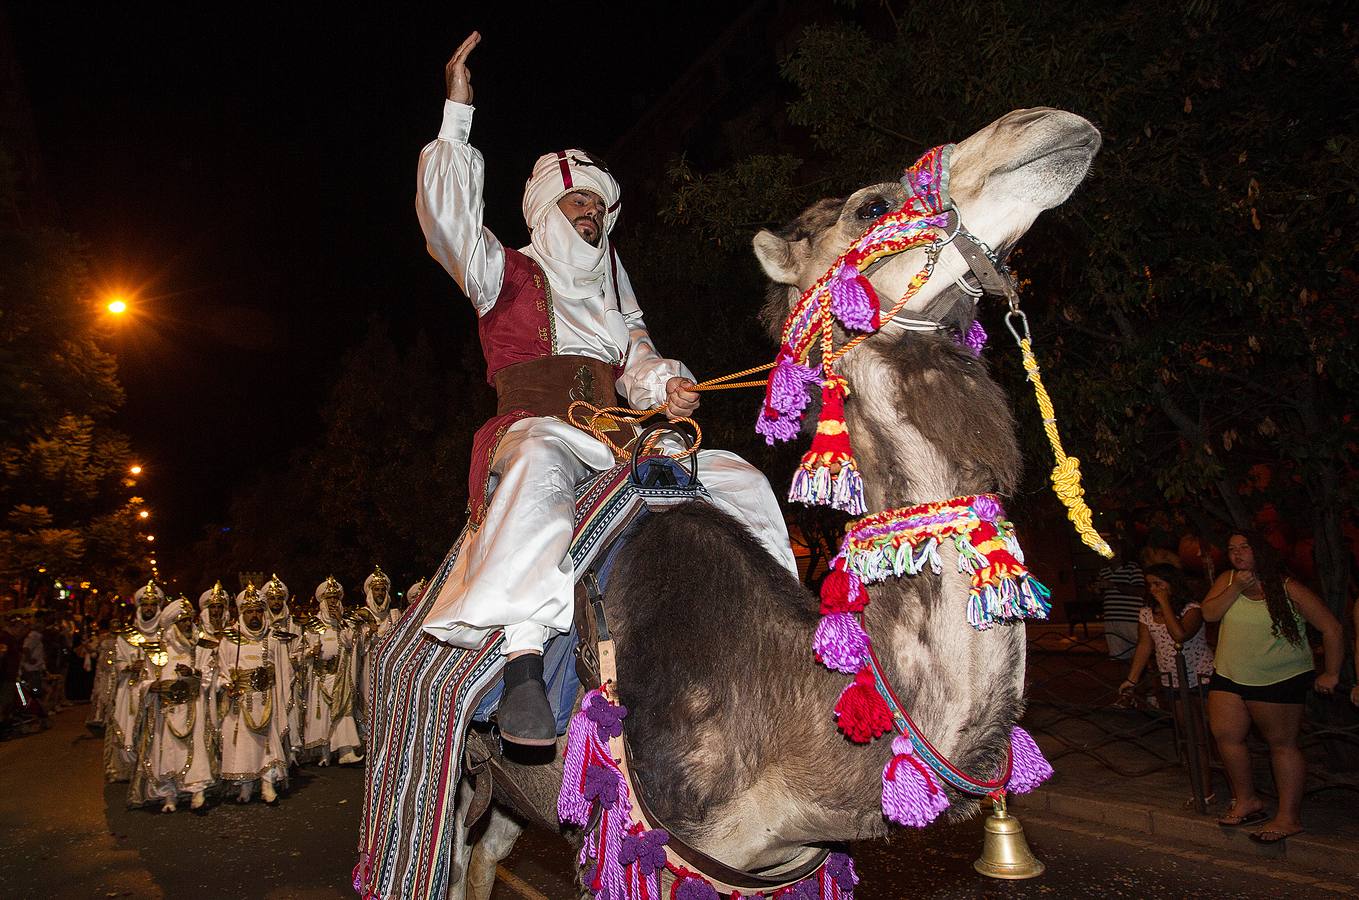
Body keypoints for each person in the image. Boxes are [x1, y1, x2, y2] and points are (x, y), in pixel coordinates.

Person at [415, 32, 797, 747]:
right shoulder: (503, 270)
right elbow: (448, 223)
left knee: (733, 476)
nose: (589, 214)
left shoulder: (613, 297)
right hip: (535, 425)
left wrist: (670, 385)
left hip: (618, 437)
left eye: (595, 206)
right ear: (542, 213)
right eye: (574, 205)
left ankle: (779, 625)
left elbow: (640, 357)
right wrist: (457, 115)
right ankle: (524, 656)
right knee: (536, 460)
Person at [1203, 530, 1343, 843]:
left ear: (1261, 552)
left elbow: (1331, 627)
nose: (1237, 554)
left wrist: (1331, 673)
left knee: (1281, 744)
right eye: (1231, 548)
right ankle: (1247, 800)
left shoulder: (1287, 587)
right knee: (1226, 736)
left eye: (1245, 547)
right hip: (1229, 674)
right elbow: (1210, 613)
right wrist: (1236, 587)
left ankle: (1288, 817)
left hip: (1278, 678)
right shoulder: (1227, 580)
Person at [1119, 563, 1214, 799]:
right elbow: (1144, 646)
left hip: (1203, 677)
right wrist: (1131, 680)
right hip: (1174, 681)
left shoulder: (1192, 609)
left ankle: (1229, 783)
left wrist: (1165, 604)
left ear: (1173, 584)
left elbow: (1179, 634)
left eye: (1159, 584)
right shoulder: (1146, 613)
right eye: (1150, 584)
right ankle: (1203, 790)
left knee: (1215, 733)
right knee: (1191, 734)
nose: (1154, 589)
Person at [127, 595, 216, 812]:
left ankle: (197, 791)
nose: (188, 625)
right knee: (166, 751)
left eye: (189, 620)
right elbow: (141, 682)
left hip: (192, 707)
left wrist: (193, 673)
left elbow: (210, 675)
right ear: (172, 625)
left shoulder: (200, 648)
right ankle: (169, 795)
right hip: (165, 710)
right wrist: (151, 687)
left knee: (196, 749)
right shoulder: (157, 651)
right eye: (182, 621)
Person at [213, 585, 291, 804]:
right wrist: (227, 685)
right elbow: (220, 671)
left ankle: (268, 785)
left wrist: (282, 698)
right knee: (243, 746)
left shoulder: (274, 639)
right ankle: (245, 787)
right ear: (241, 614)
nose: (254, 615)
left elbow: (285, 672)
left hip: (267, 700)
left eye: (258, 611)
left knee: (267, 744)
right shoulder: (229, 641)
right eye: (249, 611)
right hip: (240, 702)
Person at [300, 577, 362, 766]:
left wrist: (340, 621)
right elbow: (300, 652)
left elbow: (351, 643)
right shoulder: (313, 625)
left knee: (344, 713)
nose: (333, 602)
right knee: (323, 714)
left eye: (336, 599)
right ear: (322, 602)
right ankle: (325, 752)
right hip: (320, 675)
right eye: (329, 599)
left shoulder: (346, 623)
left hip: (340, 676)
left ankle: (346, 751)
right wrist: (311, 652)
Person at [262, 575, 305, 763]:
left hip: (289, 676)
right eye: (272, 598)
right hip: (269, 680)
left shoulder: (293, 624)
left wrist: (295, 660)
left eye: (279, 598)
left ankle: (292, 753)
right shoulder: (262, 625)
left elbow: (300, 649)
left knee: (291, 711)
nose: (276, 602)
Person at [1093, 533, 1144, 660]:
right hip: (1112, 619)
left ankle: (1143, 679)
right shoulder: (1104, 572)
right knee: (1118, 658)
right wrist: (1097, 591)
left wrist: (1114, 585)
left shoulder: (1133, 568)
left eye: (1113, 549)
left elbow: (1140, 591)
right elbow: (1103, 598)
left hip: (1131, 620)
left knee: (1141, 655)